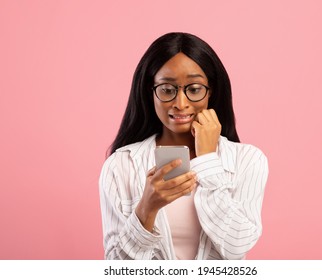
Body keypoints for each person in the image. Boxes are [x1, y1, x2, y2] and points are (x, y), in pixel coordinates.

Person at [99, 32, 268, 260]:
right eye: (167, 90)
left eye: (194, 89)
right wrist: (147, 209)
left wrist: (207, 160)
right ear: (151, 93)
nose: (181, 104)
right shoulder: (121, 165)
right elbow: (116, 267)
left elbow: (237, 246)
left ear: (212, 91)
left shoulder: (247, 160)